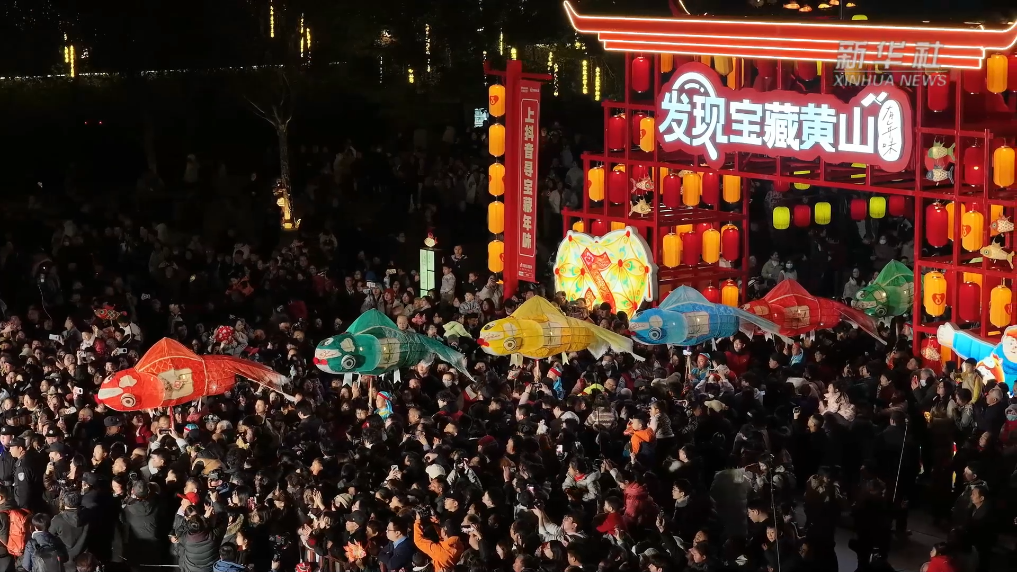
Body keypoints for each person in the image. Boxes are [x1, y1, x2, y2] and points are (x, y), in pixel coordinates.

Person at [48, 492, 88, 572]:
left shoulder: (57, 520)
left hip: (66, 559)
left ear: (64, 502)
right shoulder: (88, 516)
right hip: (84, 561)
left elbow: (49, 536)